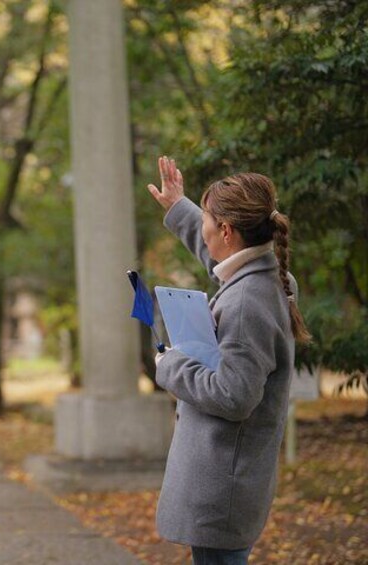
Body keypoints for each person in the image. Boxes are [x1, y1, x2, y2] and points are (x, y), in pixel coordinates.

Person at [147, 156, 312, 565]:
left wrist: (171, 364)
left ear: (226, 230)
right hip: (232, 482)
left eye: (206, 219)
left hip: (221, 487)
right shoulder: (268, 276)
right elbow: (224, 266)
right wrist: (180, 207)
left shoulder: (244, 304)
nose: (203, 229)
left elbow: (235, 396)